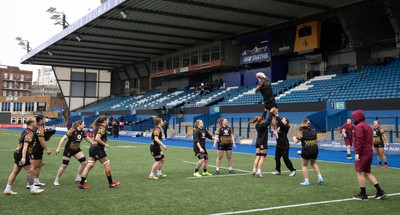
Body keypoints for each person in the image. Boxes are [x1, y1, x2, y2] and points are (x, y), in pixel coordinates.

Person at [3, 117, 44, 195]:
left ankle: (7, 189)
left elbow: (21, 143)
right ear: (31, 123)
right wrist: (23, 157)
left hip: (17, 153)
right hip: (21, 154)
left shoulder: (25, 131)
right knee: (30, 171)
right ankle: (32, 188)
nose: (36, 123)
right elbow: (25, 146)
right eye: (35, 121)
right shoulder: (30, 133)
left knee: (15, 172)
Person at [78, 115, 120, 189]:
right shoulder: (102, 128)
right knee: (107, 164)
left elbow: (98, 136)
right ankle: (111, 183)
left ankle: (81, 184)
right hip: (98, 149)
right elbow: (97, 138)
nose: (108, 121)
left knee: (89, 166)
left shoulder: (98, 127)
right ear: (104, 121)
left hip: (93, 149)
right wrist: (105, 144)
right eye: (107, 120)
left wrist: (105, 138)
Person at [352, 110, 386, 200]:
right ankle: (380, 191)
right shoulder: (367, 126)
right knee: (367, 173)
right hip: (369, 151)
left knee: (359, 172)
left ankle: (363, 194)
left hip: (362, 152)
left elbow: (359, 140)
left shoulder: (359, 126)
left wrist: (357, 153)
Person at [54, 120, 94, 186]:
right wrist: (58, 148)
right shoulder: (72, 131)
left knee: (83, 162)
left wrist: (94, 144)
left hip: (76, 149)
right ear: (79, 125)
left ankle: (78, 177)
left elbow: (87, 138)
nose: (84, 125)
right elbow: (63, 139)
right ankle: (56, 179)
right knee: (64, 165)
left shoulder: (82, 132)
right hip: (68, 149)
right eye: (83, 124)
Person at [293, 119, 323, 186]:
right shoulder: (314, 131)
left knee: (304, 165)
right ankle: (320, 177)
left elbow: (296, 141)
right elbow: (316, 140)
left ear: (304, 124)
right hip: (315, 148)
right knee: (313, 163)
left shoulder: (302, 131)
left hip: (307, 148)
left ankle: (306, 181)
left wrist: (293, 138)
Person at [271, 110, 296, 176]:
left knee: (285, 158)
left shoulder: (286, 127)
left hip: (284, 145)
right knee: (277, 158)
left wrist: (277, 116)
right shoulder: (279, 125)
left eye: (283, 119)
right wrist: (273, 115)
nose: (282, 119)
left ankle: (292, 170)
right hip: (278, 145)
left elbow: (281, 123)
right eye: (282, 119)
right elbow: (274, 123)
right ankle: (278, 170)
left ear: (286, 122)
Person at [248, 109, 273, 177]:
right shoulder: (263, 125)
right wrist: (270, 112)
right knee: (262, 157)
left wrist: (265, 111)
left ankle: (254, 169)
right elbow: (269, 120)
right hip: (263, 143)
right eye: (263, 119)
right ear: (262, 120)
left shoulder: (257, 125)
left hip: (258, 142)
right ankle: (259, 171)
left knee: (257, 156)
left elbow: (263, 118)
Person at [30, 115, 51, 187]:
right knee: (34, 167)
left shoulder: (38, 127)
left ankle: (36, 181)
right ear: (40, 120)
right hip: (35, 148)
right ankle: (29, 183)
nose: (45, 120)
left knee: (40, 164)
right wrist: (47, 149)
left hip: (37, 148)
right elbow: (41, 140)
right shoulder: (39, 128)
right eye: (44, 119)